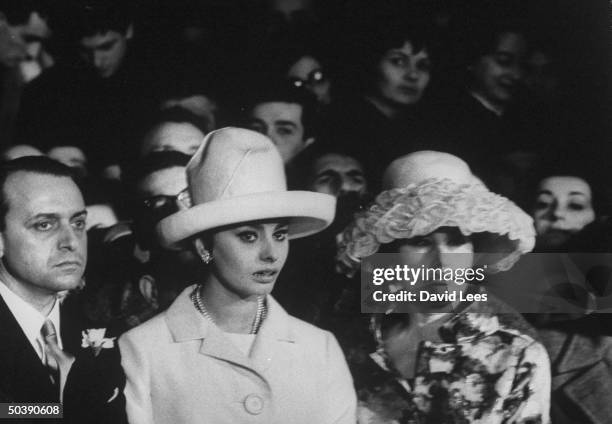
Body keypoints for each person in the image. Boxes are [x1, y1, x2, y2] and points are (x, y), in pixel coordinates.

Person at [120, 127, 356, 423]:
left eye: (280, 234)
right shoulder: (143, 350)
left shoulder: (320, 348)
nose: (271, 253)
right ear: (204, 245)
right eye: (248, 236)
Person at [336, 151, 550, 423]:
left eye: (456, 241)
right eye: (421, 242)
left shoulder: (516, 354)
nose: (443, 261)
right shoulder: (350, 339)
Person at [0, 156, 125, 423]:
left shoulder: (103, 326)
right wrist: (66, 409)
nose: (71, 242)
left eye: (78, 223)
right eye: (44, 225)